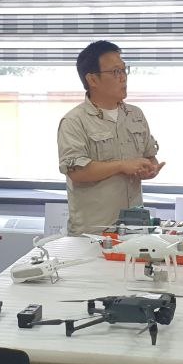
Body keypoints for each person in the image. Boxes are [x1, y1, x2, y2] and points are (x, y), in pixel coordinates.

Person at [57, 40, 164, 235]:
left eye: (124, 70)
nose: (123, 77)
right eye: (115, 72)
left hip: (134, 230)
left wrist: (150, 169)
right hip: (93, 233)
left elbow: (150, 156)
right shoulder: (74, 121)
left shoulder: (135, 114)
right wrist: (122, 166)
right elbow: (77, 173)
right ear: (93, 79)